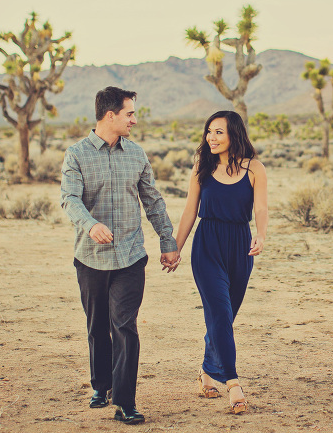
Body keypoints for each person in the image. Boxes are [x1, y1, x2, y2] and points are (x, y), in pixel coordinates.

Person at [60, 86, 180, 425]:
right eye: (129, 114)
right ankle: (102, 385)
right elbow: (70, 199)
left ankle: (125, 402)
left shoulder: (137, 154)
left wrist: (167, 240)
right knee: (98, 325)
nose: (134, 120)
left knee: (125, 326)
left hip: (130, 256)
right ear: (110, 115)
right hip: (91, 257)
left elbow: (153, 200)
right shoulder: (77, 155)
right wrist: (90, 225)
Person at [171, 110, 268, 415]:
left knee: (223, 317)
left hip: (240, 246)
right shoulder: (202, 166)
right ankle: (233, 383)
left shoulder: (254, 168)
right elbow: (190, 210)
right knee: (221, 313)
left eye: (218, 132)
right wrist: (175, 248)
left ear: (234, 135)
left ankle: (206, 369)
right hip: (207, 246)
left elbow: (261, 208)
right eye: (209, 131)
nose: (211, 138)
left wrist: (261, 235)